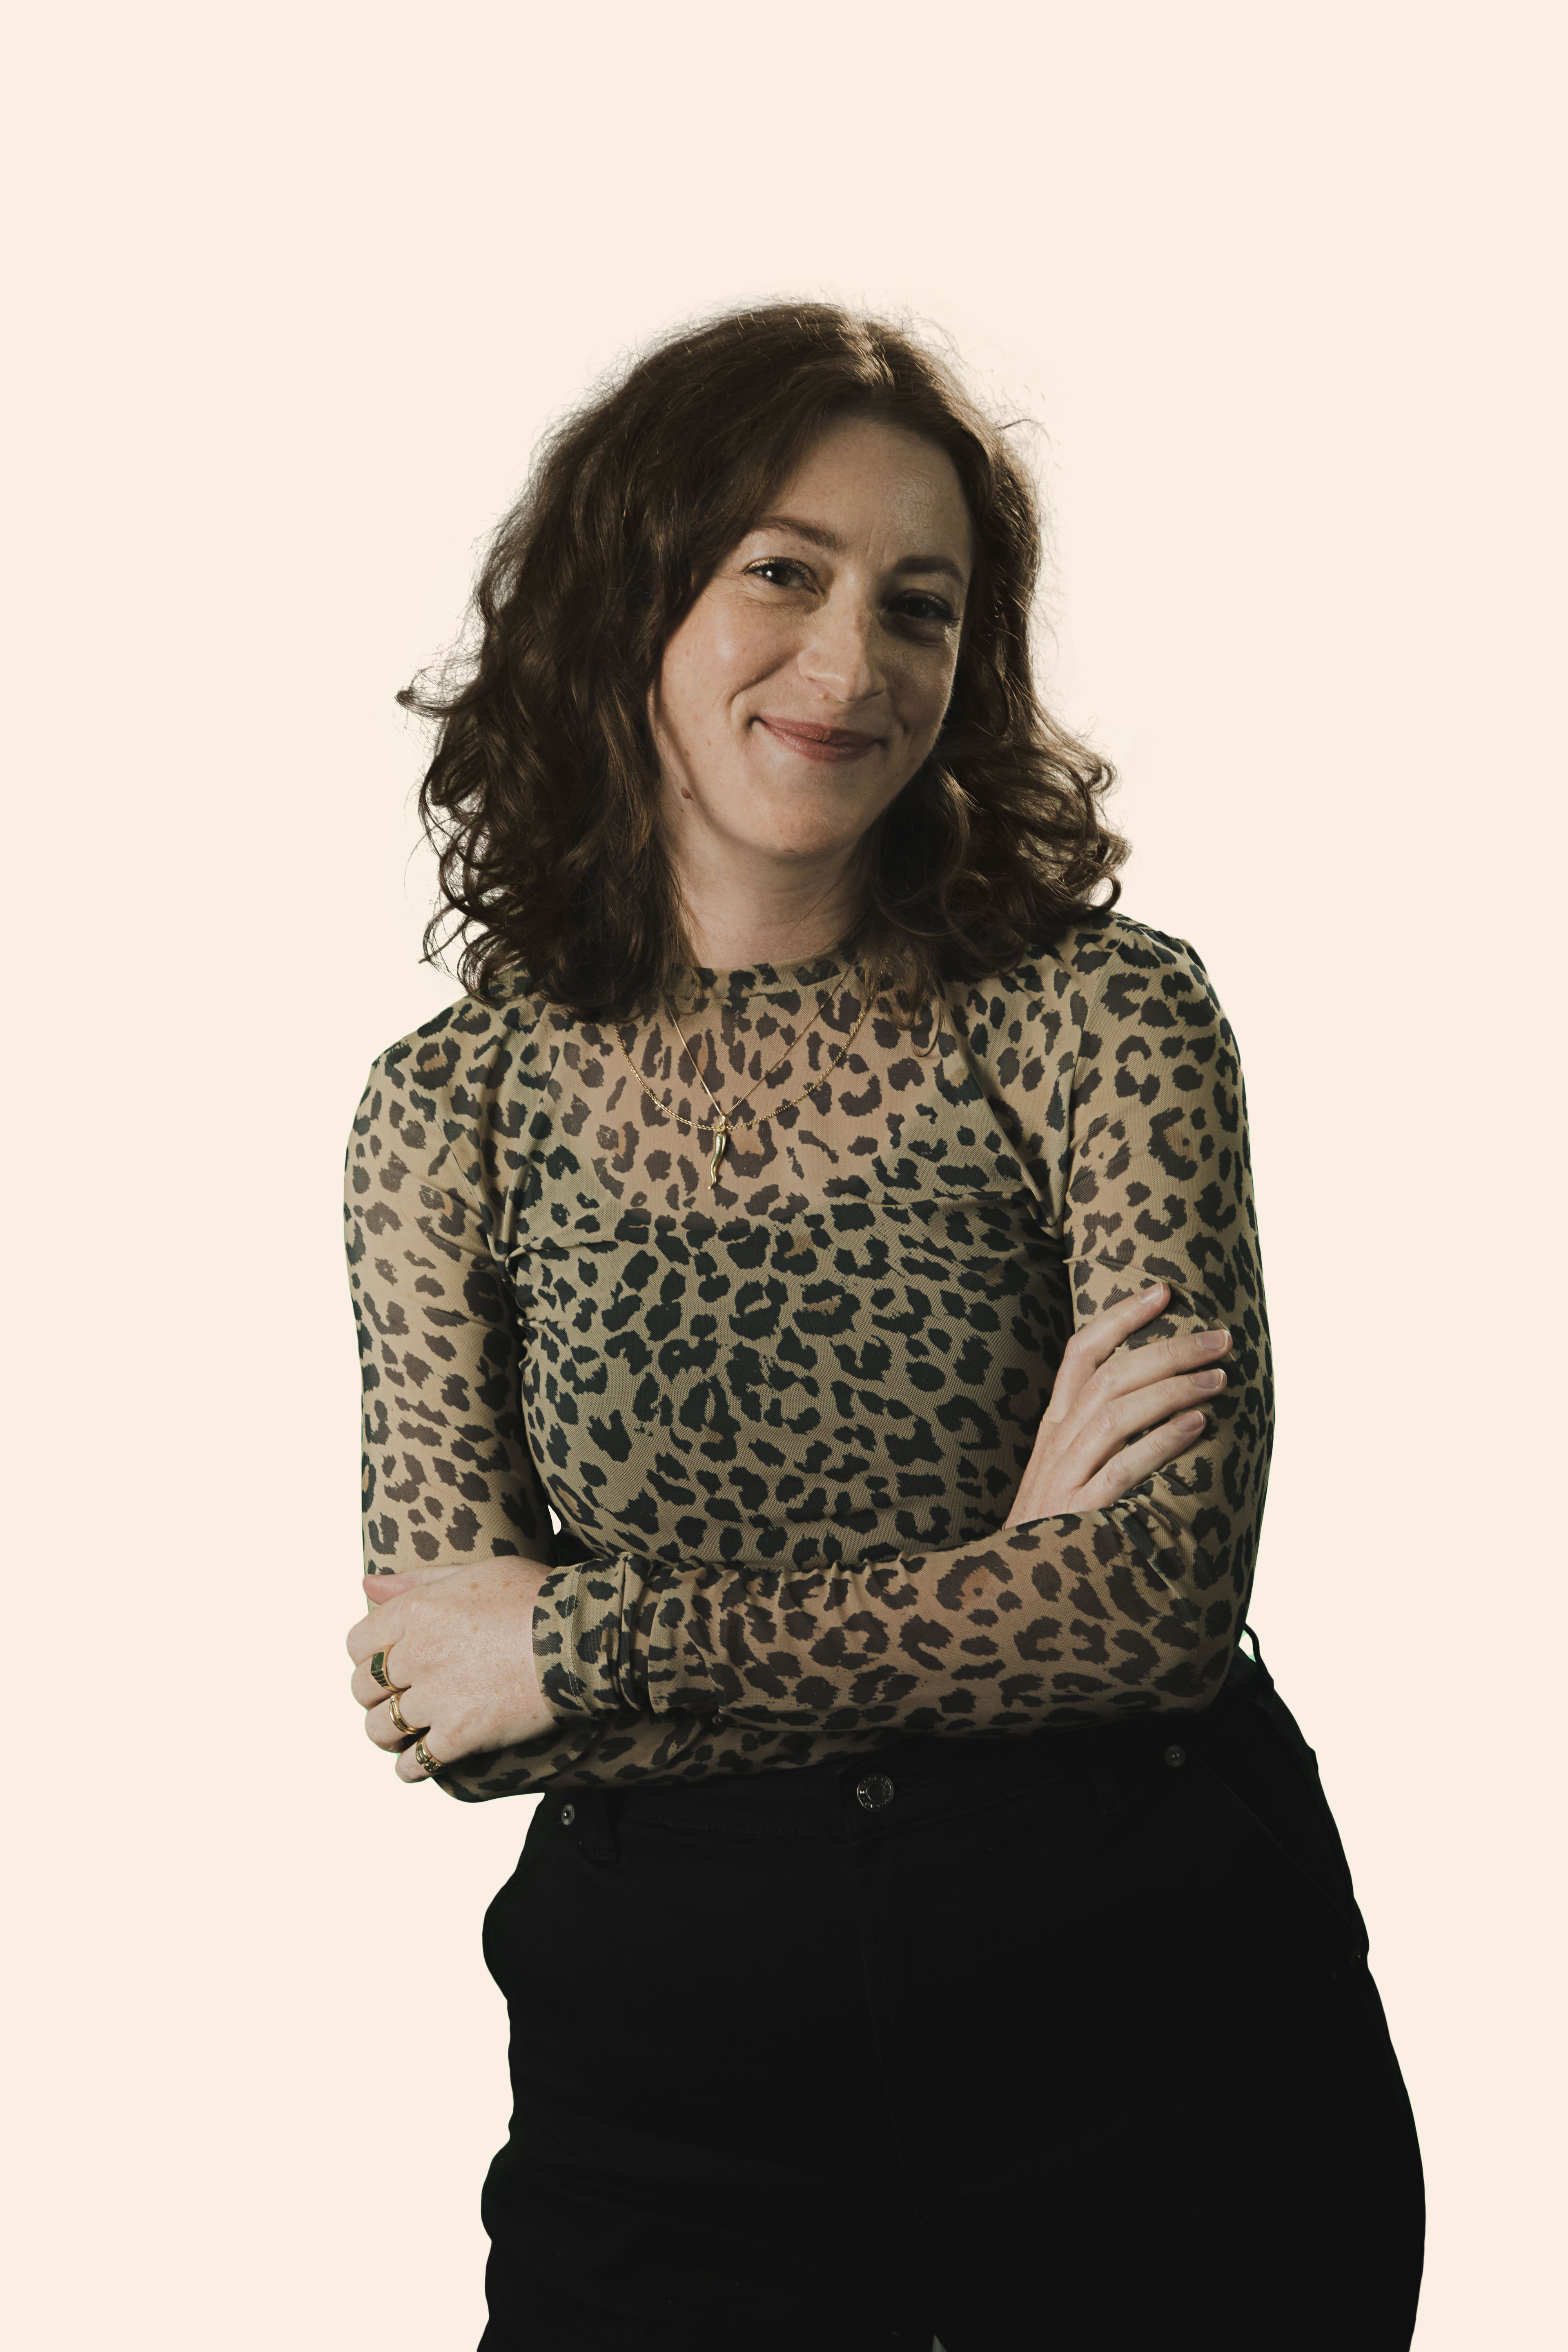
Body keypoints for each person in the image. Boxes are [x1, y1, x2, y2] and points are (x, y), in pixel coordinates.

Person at [343, 302, 1423, 2351]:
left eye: (918, 608)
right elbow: (440, 1694)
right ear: (629, 600)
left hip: (1166, 2058)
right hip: (669, 2107)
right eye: (784, 573)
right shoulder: (447, 1110)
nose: (852, 667)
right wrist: (999, 1584)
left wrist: (581, 1641)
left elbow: (1151, 1615)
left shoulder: (1098, 1019)